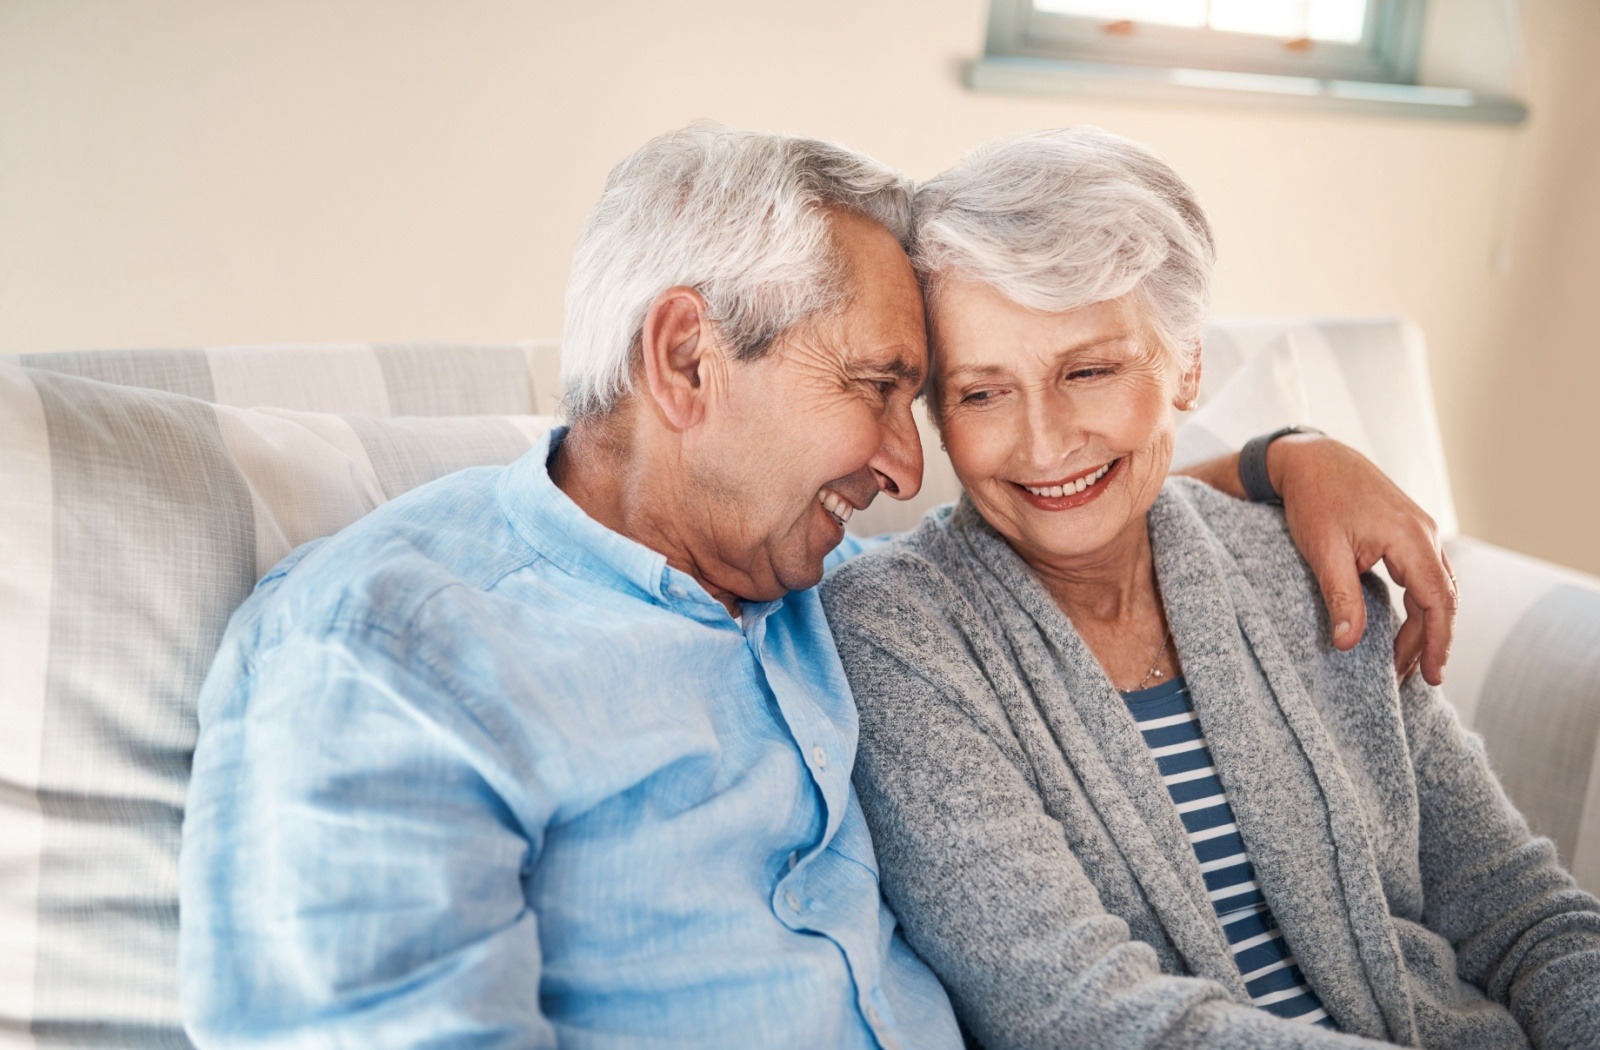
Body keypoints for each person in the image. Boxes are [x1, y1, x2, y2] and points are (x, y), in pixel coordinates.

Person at [179, 122, 1458, 1047]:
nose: (908, 466)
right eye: (876, 390)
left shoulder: (820, 579)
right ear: (685, 359)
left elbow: (1071, 504)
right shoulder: (384, 654)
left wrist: (1291, 461)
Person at [820, 126, 1600, 1050]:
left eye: (1091, 370)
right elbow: (1081, 1014)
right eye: (983, 393)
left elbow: (1524, 914)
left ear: (1186, 363)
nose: (1043, 443)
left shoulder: (1302, 563)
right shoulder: (900, 634)